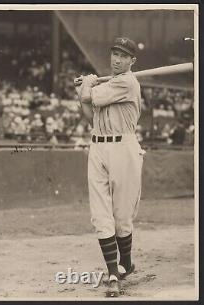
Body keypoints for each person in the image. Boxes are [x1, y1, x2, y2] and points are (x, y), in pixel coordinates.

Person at [75, 37, 145, 297]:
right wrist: (84, 91)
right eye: (115, 54)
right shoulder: (110, 83)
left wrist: (88, 85)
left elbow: (92, 97)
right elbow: (90, 113)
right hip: (98, 146)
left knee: (122, 215)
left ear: (132, 61)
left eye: (123, 56)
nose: (117, 59)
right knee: (101, 214)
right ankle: (113, 271)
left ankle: (126, 263)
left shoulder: (127, 81)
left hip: (123, 148)